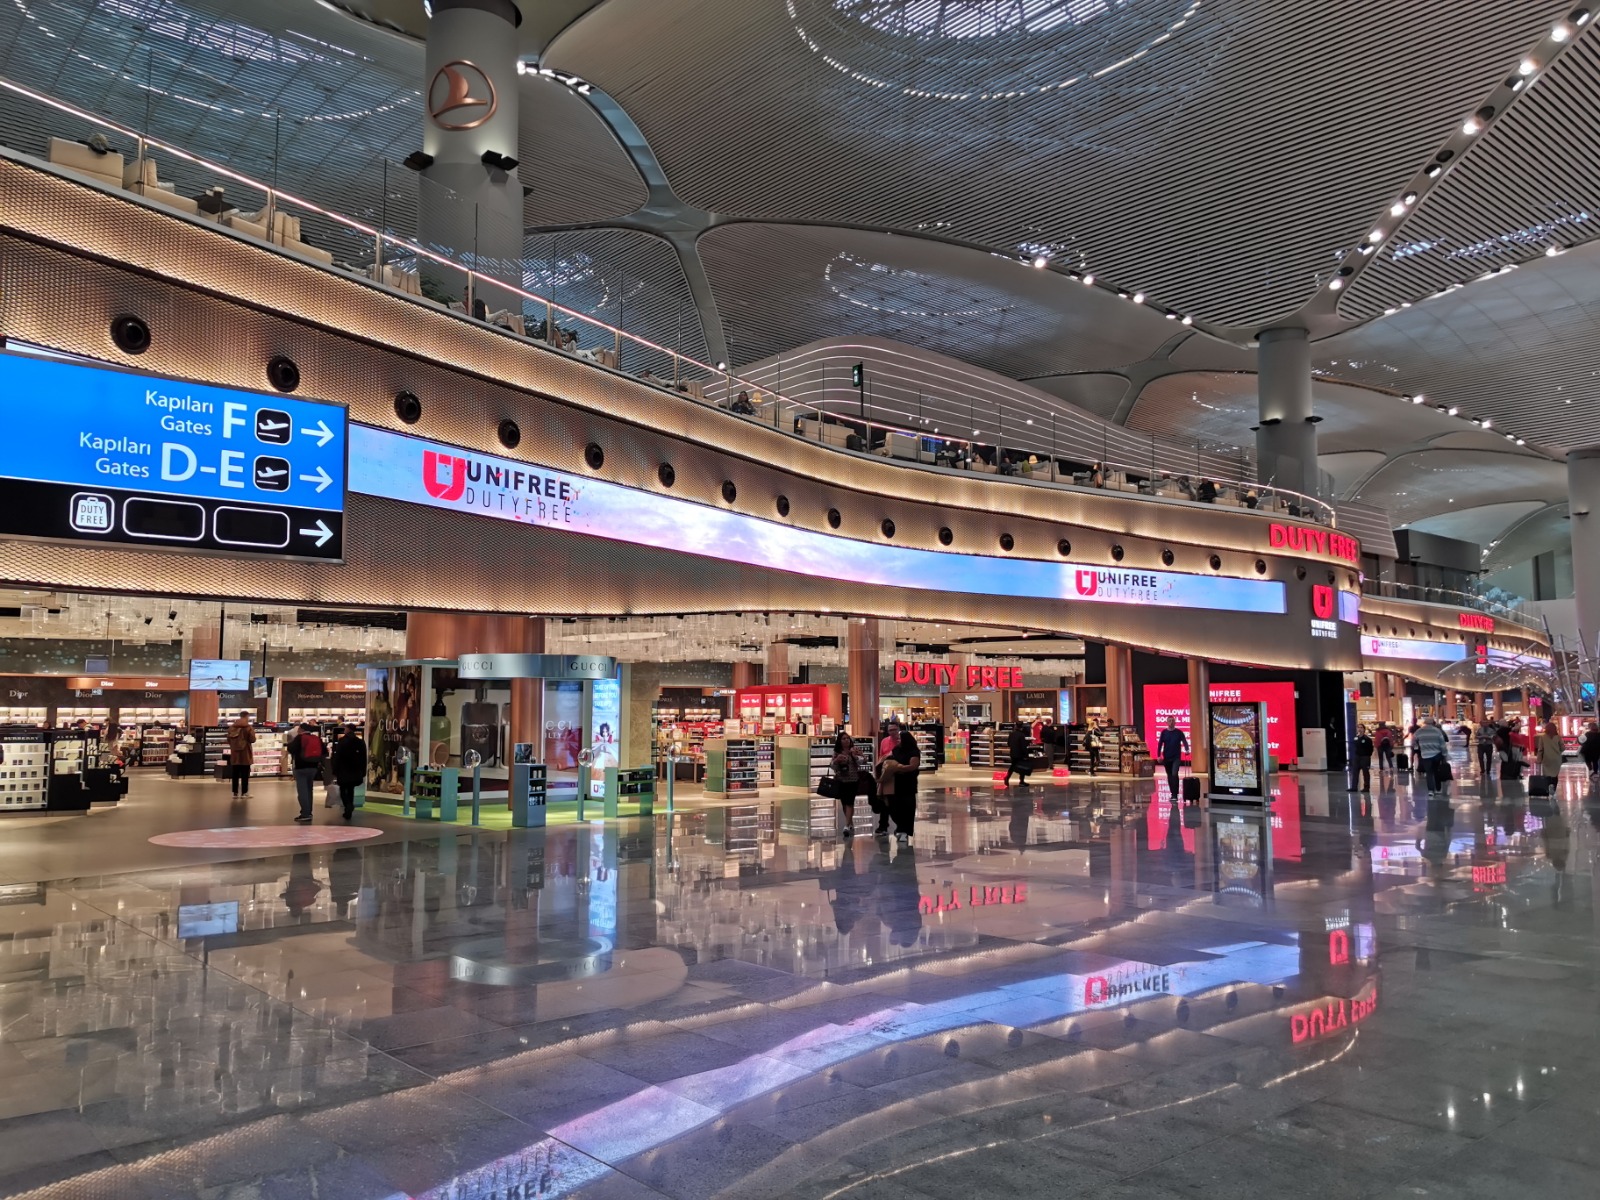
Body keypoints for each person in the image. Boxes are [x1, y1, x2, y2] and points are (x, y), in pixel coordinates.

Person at [876, 729, 921, 845]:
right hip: (895, 783)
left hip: (908, 784)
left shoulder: (914, 752)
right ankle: (900, 827)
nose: (898, 740)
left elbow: (913, 766)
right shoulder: (896, 750)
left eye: (900, 739)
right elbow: (887, 758)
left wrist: (899, 767)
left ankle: (904, 831)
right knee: (894, 807)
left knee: (907, 808)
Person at [286, 722, 326, 824]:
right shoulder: (316, 738)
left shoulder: (299, 738)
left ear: (302, 729)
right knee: (309, 790)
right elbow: (324, 752)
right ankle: (309, 812)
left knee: (302, 791)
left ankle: (305, 813)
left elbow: (291, 749)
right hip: (313, 767)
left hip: (301, 767)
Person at [830, 732, 865, 838]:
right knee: (845, 804)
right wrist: (837, 761)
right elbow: (832, 766)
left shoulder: (854, 750)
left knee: (850, 802)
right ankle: (850, 824)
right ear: (840, 741)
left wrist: (855, 756)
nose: (846, 740)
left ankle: (846, 825)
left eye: (847, 738)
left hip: (853, 780)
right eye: (843, 738)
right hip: (841, 780)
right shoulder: (837, 752)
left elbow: (863, 761)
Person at [331, 725, 367, 821]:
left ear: (348, 730)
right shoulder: (360, 742)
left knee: (343, 789)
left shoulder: (342, 741)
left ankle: (348, 806)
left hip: (343, 770)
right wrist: (363, 771)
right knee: (351, 789)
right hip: (355, 770)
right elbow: (363, 758)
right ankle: (349, 806)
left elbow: (337, 757)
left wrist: (334, 770)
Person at [1155, 717, 1189, 801]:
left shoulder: (1179, 732)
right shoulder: (1164, 732)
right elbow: (1160, 744)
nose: (1171, 722)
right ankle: (1173, 793)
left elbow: (1184, 741)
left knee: (1174, 774)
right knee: (1170, 775)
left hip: (1176, 757)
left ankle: (1175, 794)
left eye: (1172, 721)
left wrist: (1187, 749)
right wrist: (1158, 755)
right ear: (1166, 723)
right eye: (1169, 721)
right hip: (1167, 757)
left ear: (1175, 722)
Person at [1414, 716, 1448, 797]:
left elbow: (1413, 740)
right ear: (1433, 723)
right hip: (1437, 754)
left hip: (1425, 755)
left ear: (1425, 723)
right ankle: (1438, 788)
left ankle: (1431, 790)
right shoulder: (1437, 731)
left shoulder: (1419, 731)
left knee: (1429, 773)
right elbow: (1442, 743)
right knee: (1436, 771)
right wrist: (1444, 754)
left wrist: (1417, 747)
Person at [225, 711, 255, 799]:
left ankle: (235, 793)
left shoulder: (232, 728)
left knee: (235, 774)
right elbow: (252, 739)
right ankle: (244, 793)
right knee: (245, 774)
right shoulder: (248, 728)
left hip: (235, 755)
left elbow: (228, 740)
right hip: (245, 754)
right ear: (247, 717)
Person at [1003, 722, 1031, 789]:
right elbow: (1023, 746)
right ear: (1022, 727)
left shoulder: (1011, 734)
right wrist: (1026, 754)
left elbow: (1008, 743)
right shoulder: (1022, 735)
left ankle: (1007, 777)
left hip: (1013, 753)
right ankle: (1021, 781)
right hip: (1020, 753)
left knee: (1012, 766)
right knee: (1022, 767)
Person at [1351, 724, 1374, 793]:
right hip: (1357, 757)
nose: (1359, 729)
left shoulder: (1367, 739)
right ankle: (1354, 787)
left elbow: (1371, 749)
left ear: (1364, 729)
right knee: (1355, 772)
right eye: (1358, 727)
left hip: (1365, 757)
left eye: (1361, 727)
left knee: (1365, 772)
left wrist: (1367, 755)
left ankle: (1366, 787)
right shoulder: (1356, 738)